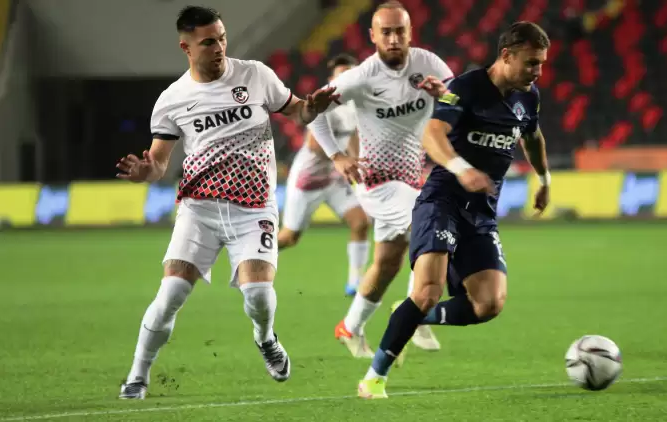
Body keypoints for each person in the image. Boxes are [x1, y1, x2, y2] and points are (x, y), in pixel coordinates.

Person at [115, 6, 339, 399]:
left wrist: (312, 107)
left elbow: (299, 110)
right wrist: (143, 173)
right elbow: (160, 164)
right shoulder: (172, 100)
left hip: (254, 208)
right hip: (198, 210)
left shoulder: (256, 75)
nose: (219, 47)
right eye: (208, 42)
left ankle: (265, 337)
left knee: (257, 295)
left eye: (221, 38)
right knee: (170, 296)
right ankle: (137, 375)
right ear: (186, 47)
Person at [357, 21, 553, 399]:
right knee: (428, 290)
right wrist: (463, 170)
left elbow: (533, 136)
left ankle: (410, 315)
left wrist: (544, 179)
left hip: (481, 212)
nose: (537, 72)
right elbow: (432, 134)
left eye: (541, 64)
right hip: (442, 200)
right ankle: (373, 378)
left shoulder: (528, 97)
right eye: (531, 63)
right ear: (507, 56)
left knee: (489, 304)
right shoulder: (465, 88)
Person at [307, 0, 453, 359]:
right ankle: (416, 312)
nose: (392, 38)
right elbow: (310, 110)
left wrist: (445, 96)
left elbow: (461, 101)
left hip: (409, 178)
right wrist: (338, 155)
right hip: (374, 178)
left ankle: (350, 327)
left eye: (399, 31)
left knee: (388, 263)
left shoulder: (428, 64)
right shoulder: (360, 77)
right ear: (372, 36)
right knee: (431, 226)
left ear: (409, 33)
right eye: (385, 32)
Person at [279, 54, 371, 297]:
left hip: (333, 179)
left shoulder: (354, 106)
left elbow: (351, 136)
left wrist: (357, 162)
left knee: (361, 223)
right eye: (341, 75)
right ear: (332, 80)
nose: (345, 79)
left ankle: (356, 283)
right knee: (289, 238)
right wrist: (341, 157)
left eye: (350, 74)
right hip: (307, 180)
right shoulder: (326, 103)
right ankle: (252, 258)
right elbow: (313, 144)